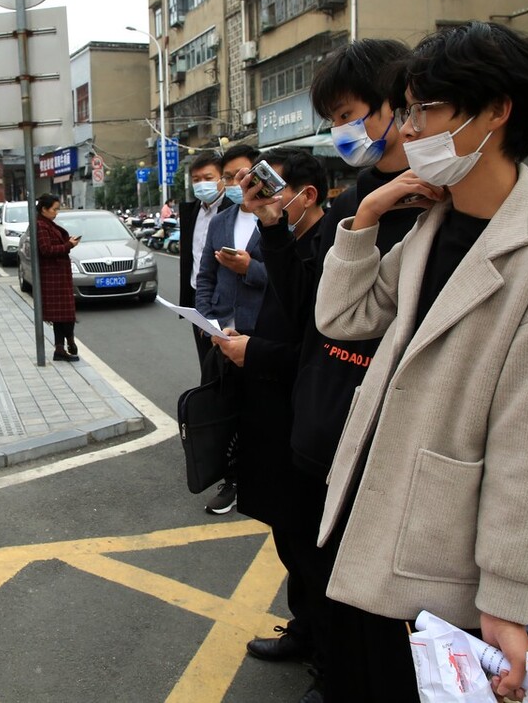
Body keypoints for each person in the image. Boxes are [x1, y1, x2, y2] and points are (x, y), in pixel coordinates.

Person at [313, 22, 528, 701]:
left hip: (441, 557)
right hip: (369, 520)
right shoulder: (434, 224)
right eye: (408, 109)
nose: (409, 129)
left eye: (426, 109)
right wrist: (366, 216)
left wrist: (507, 598)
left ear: (497, 111)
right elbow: (345, 316)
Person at [213, 147, 326, 684]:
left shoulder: (328, 250)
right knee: (289, 537)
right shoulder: (282, 241)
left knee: (312, 547)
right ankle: (306, 631)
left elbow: (318, 349)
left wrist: (253, 352)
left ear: (306, 195)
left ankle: (332, 665)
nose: (258, 198)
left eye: (269, 188)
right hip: (271, 412)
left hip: (307, 424)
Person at [192, 145, 267, 515]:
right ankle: (232, 480)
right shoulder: (222, 221)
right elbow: (205, 276)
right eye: (228, 176)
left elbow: (293, 281)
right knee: (225, 411)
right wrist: (208, 321)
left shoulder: (278, 219)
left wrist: (250, 269)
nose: (236, 183)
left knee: (261, 414)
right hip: (222, 335)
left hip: (261, 336)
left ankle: (261, 479)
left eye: (243, 174)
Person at [177, 150, 234, 369]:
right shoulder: (192, 212)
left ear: (222, 179)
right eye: (196, 180)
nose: (202, 184)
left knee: (227, 360)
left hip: (226, 298)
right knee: (206, 359)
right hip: (198, 298)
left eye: (208, 178)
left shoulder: (233, 210)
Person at [34, 193, 81, 362]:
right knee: (63, 314)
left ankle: (62, 347)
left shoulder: (48, 224)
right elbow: (46, 250)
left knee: (64, 314)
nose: (56, 213)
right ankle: (64, 345)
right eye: (54, 209)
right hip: (52, 275)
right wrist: (68, 245)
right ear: (44, 209)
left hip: (59, 274)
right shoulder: (41, 225)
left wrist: (67, 242)